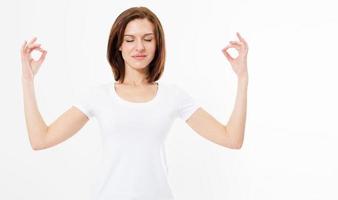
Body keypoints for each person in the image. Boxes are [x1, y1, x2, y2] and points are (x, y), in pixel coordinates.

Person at [20, 6, 248, 200]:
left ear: (157, 44)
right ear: (118, 45)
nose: (139, 47)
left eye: (148, 39)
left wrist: (242, 78)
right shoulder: (98, 96)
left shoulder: (173, 96)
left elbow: (231, 139)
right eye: (130, 40)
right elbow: (41, 140)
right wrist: (27, 80)